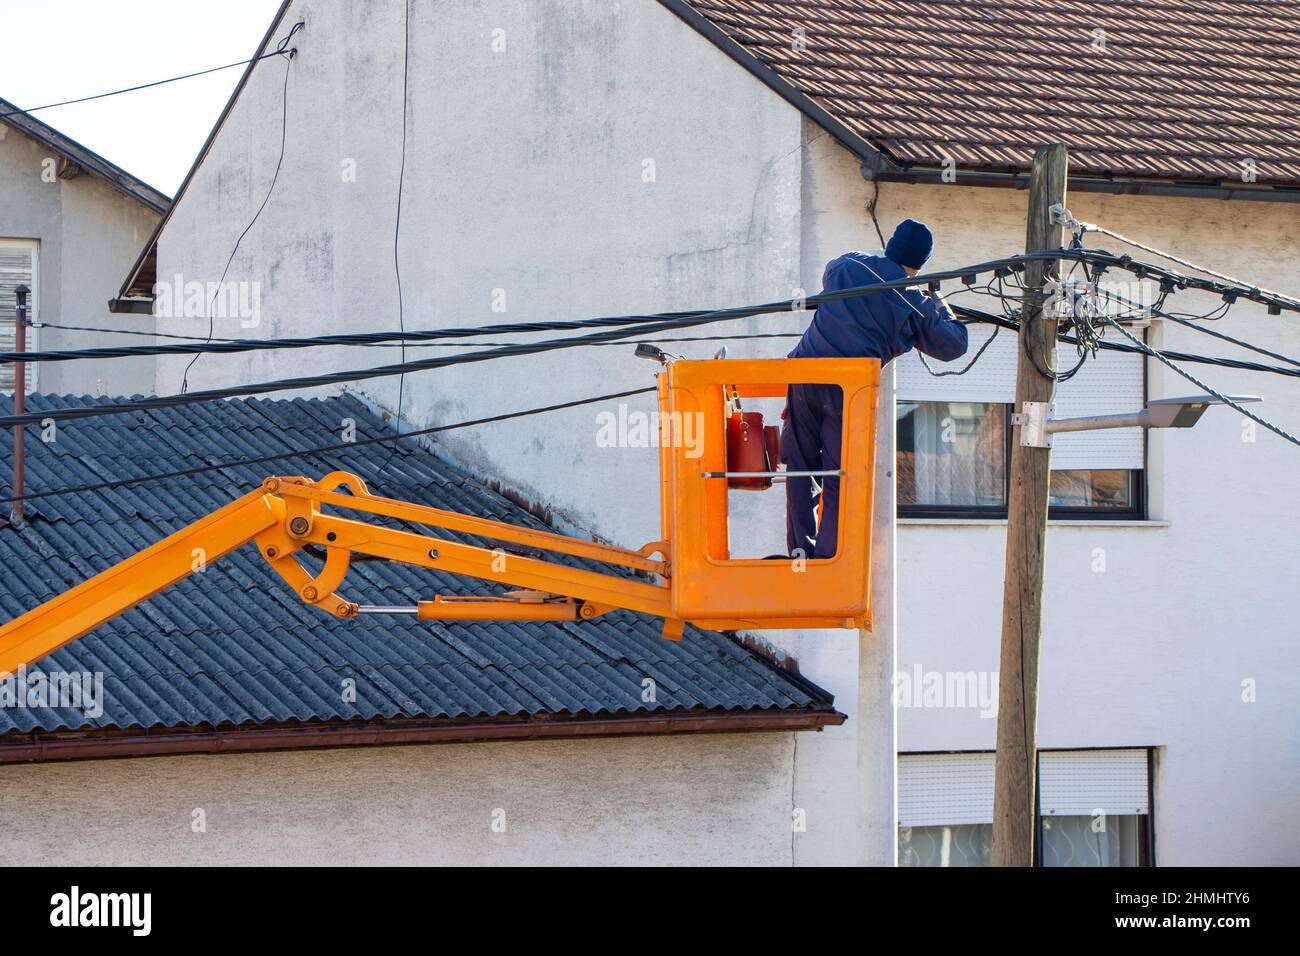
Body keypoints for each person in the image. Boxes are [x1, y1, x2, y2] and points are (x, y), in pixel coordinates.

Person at [781, 219, 969, 558]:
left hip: (803, 374)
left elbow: (832, 273)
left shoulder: (848, 265)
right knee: (841, 473)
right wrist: (938, 300)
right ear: (920, 262)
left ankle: (800, 553)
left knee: (800, 467)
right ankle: (827, 559)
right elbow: (954, 345)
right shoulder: (914, 300)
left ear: (891, 245)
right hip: (846, 389)